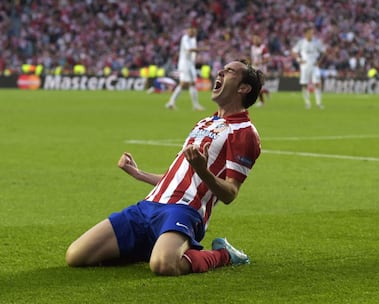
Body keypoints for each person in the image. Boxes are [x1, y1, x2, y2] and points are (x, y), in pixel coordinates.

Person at [66, 59, 264, 276]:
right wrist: (138, 174)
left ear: (243, 88)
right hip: (149, 205)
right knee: (76, 256)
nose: (220, 71)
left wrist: (203, 171)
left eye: (229, 71)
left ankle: (223, 255)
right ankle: (155, 245)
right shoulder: (205, 122)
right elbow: (177, 177)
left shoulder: (245, 132)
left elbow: (230, 194)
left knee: (163, 266)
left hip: (185, 210)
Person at [165, 27, 207, 111]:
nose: (194, 33)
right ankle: (194, 105)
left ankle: (171, 102)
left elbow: (193, 52)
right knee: (187, 83)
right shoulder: (185, 38)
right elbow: (190, 49)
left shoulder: (193, 39)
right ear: (189, 31)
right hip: (185, 64)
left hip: (190, 64)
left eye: (195, 32)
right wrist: (202, 49)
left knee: (188, 83)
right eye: (192, 31)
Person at [292, 26, 326, 109]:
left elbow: (323, 52)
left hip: (314, 66)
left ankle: (318, 103)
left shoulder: (317, 42)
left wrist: (319, 62)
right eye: (310, 33)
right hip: (304, 66)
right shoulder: (301, 42)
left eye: (312, 33)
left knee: (317, 83)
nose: (312, 34)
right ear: (306, 34)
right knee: (304, 84)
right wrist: (298, 59)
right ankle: (307, 103)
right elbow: (294, 51)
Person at [250, 34, 270, 107]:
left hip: (261, 69)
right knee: (256, 85)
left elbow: (267, 59)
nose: (255, 41)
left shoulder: (263, 48)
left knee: (257, 85)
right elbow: (253, 58)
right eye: (254, 39)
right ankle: (265, 92)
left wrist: (260, 62)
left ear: (260, 40)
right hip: (254, 68)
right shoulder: (252, 48)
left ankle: (262, 102)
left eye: (256, 39)